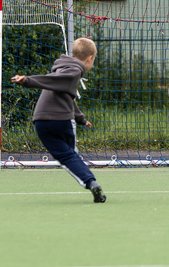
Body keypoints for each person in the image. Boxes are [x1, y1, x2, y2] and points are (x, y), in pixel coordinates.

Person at [11, 37, 106, 203]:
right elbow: (51, 81)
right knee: (71, 156)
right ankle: (91, 182)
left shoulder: (62, 68)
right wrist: (28, 81)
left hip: (40, 120)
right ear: (90, 57)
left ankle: (89, 182)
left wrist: (81, 118)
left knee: (66, 156)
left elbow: (66, 95)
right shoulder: (74, 71)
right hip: (61, 119)